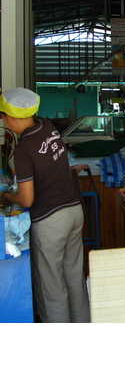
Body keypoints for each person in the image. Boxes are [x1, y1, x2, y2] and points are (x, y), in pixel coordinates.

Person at [0, 88, 90, 323]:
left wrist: (6, 197)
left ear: (9, 117)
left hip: (51, 220)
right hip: (73, 211)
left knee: (52, 287)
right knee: (74, 277)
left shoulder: (24, 149)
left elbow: (27, 200)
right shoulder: (47, 126)